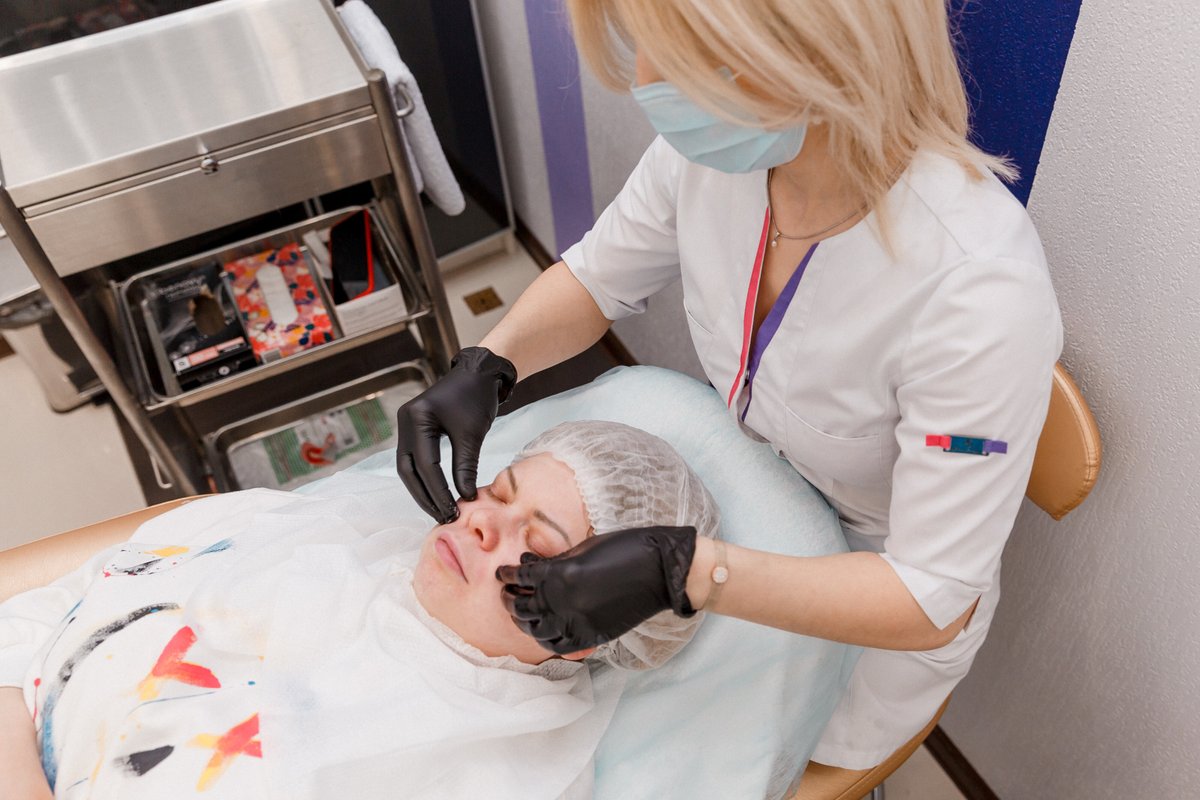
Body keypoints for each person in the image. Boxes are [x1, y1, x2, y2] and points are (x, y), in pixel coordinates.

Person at [393, 0, 1062, 770]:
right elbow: (596, 277)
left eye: (675, 58)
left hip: (868, 606)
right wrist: (488, 362)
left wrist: (688, 572)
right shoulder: (722, 156)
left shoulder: (978, 292)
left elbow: (932, 595)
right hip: (742, 508)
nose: (644, 81)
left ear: (799, 58)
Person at [0, 421, 720, 799]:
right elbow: (42, 611)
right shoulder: (296, 527)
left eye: (537, 545)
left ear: (586, 633)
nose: (479, 522)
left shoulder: (500, 773)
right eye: (498, 493)